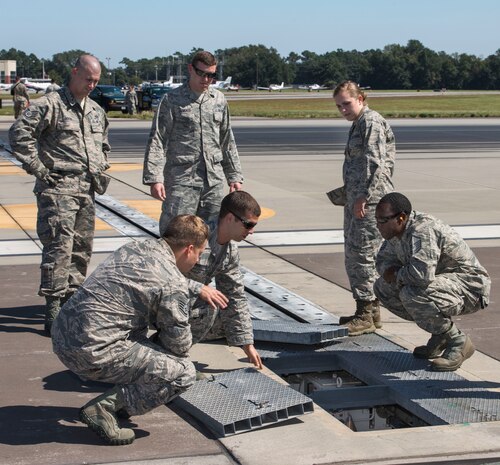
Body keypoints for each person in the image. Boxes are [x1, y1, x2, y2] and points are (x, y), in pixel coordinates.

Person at [51, 215, 209, 445]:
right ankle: (105, 409)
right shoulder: (173, 281)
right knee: (183, 373)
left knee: (142, 335)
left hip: (63, 335)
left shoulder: (136, 247)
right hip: (91, 352)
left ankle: (122, 399)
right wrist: (165, 370)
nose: (197, 261)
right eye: (200, 254)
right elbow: (179, 345)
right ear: (189, 249)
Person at [9, 54, 110, 334]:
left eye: (96, 81)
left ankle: (71, 304)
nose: (92, 85)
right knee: (59, 248)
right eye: (88, 79)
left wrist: (101, 166)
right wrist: (38, 168)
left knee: (81, 249)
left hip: (86, 191)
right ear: (75, 72)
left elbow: (103, 143)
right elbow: (19, 133)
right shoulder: (50, 105)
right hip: (58, 190)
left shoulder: (95, 110)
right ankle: (53, 311)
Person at [374, 192, 491, 371]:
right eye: (377, 220)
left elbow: (421, 275)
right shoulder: (396, 233)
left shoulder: (422, 230)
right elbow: (382, 261)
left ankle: (458, 342)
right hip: (442, 285)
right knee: (382, 288)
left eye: (382, 221)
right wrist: (393, 273)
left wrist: (396, 274)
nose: (378, 225)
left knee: (412, 292)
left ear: (401, 218)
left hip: (469, 287)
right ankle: (441, 334)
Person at [143, 50, 243, 235]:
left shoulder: (218, 100)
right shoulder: (172, 100)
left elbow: (226, 139)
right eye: (202, 73)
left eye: (211, 75)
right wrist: (154, 178)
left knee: (214, 236)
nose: (206, 79)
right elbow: (157, 139)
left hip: (213, 182)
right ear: (190, 69)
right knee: (176, 236)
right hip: (182, 181)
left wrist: (234, 175)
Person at [330, 80, 396, 336]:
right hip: (359, 199)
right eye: (339, 106)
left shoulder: (370, 122)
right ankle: (372, 311)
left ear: (360, 99)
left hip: (369, 202)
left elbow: (375, 163)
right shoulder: (360, 123)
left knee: (361, 256)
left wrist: (364, 197)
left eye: (346, 103)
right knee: (362, 255)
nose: (343, 110)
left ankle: (365, 313)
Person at [187, 191, 263, 370]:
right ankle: (170, 352)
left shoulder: (229, 251)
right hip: (160, 302)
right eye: (248, 224)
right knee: (209, 307)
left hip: (185, 302)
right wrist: (198, 288)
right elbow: (159, 275)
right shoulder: (195, 235)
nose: (251, 231)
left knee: (226, 317)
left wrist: (246, 344)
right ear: (230, 218)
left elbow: (235, 295)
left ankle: (174, 346)